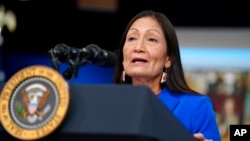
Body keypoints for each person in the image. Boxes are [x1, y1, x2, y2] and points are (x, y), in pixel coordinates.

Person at [114, 10, 221, 141]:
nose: (138, 47)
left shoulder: (196, 107)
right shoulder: (107, 106)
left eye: (151, 39)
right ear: (123, 59)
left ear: (168, 59)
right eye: (132, 38)